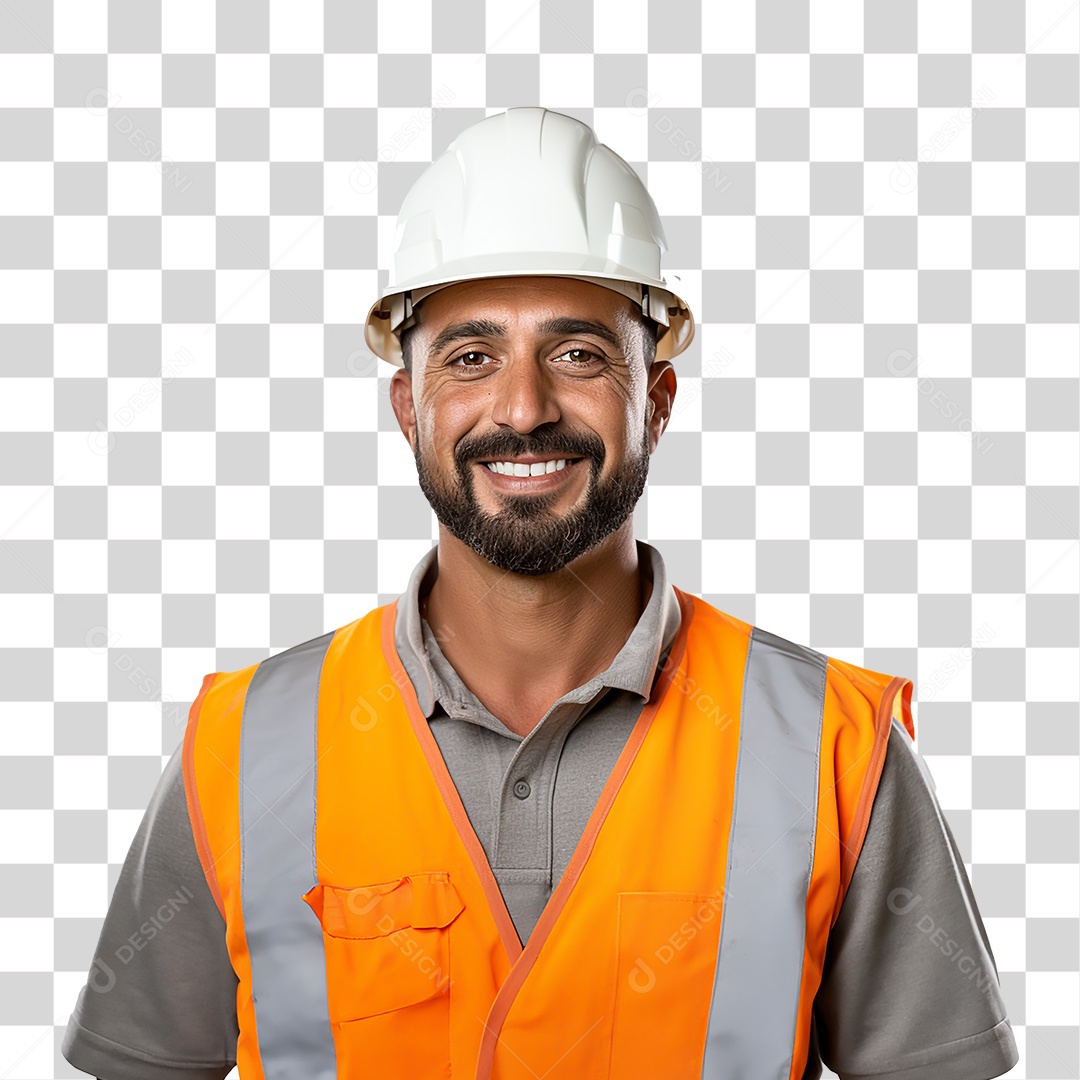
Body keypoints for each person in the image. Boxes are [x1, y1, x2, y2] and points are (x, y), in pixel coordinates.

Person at [62, 107, 1018, 1080]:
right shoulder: (244, 748)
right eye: (472, 357)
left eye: (578, 353)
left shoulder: (833, 750)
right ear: (409, 407)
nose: (524, 408)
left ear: (658, 398)